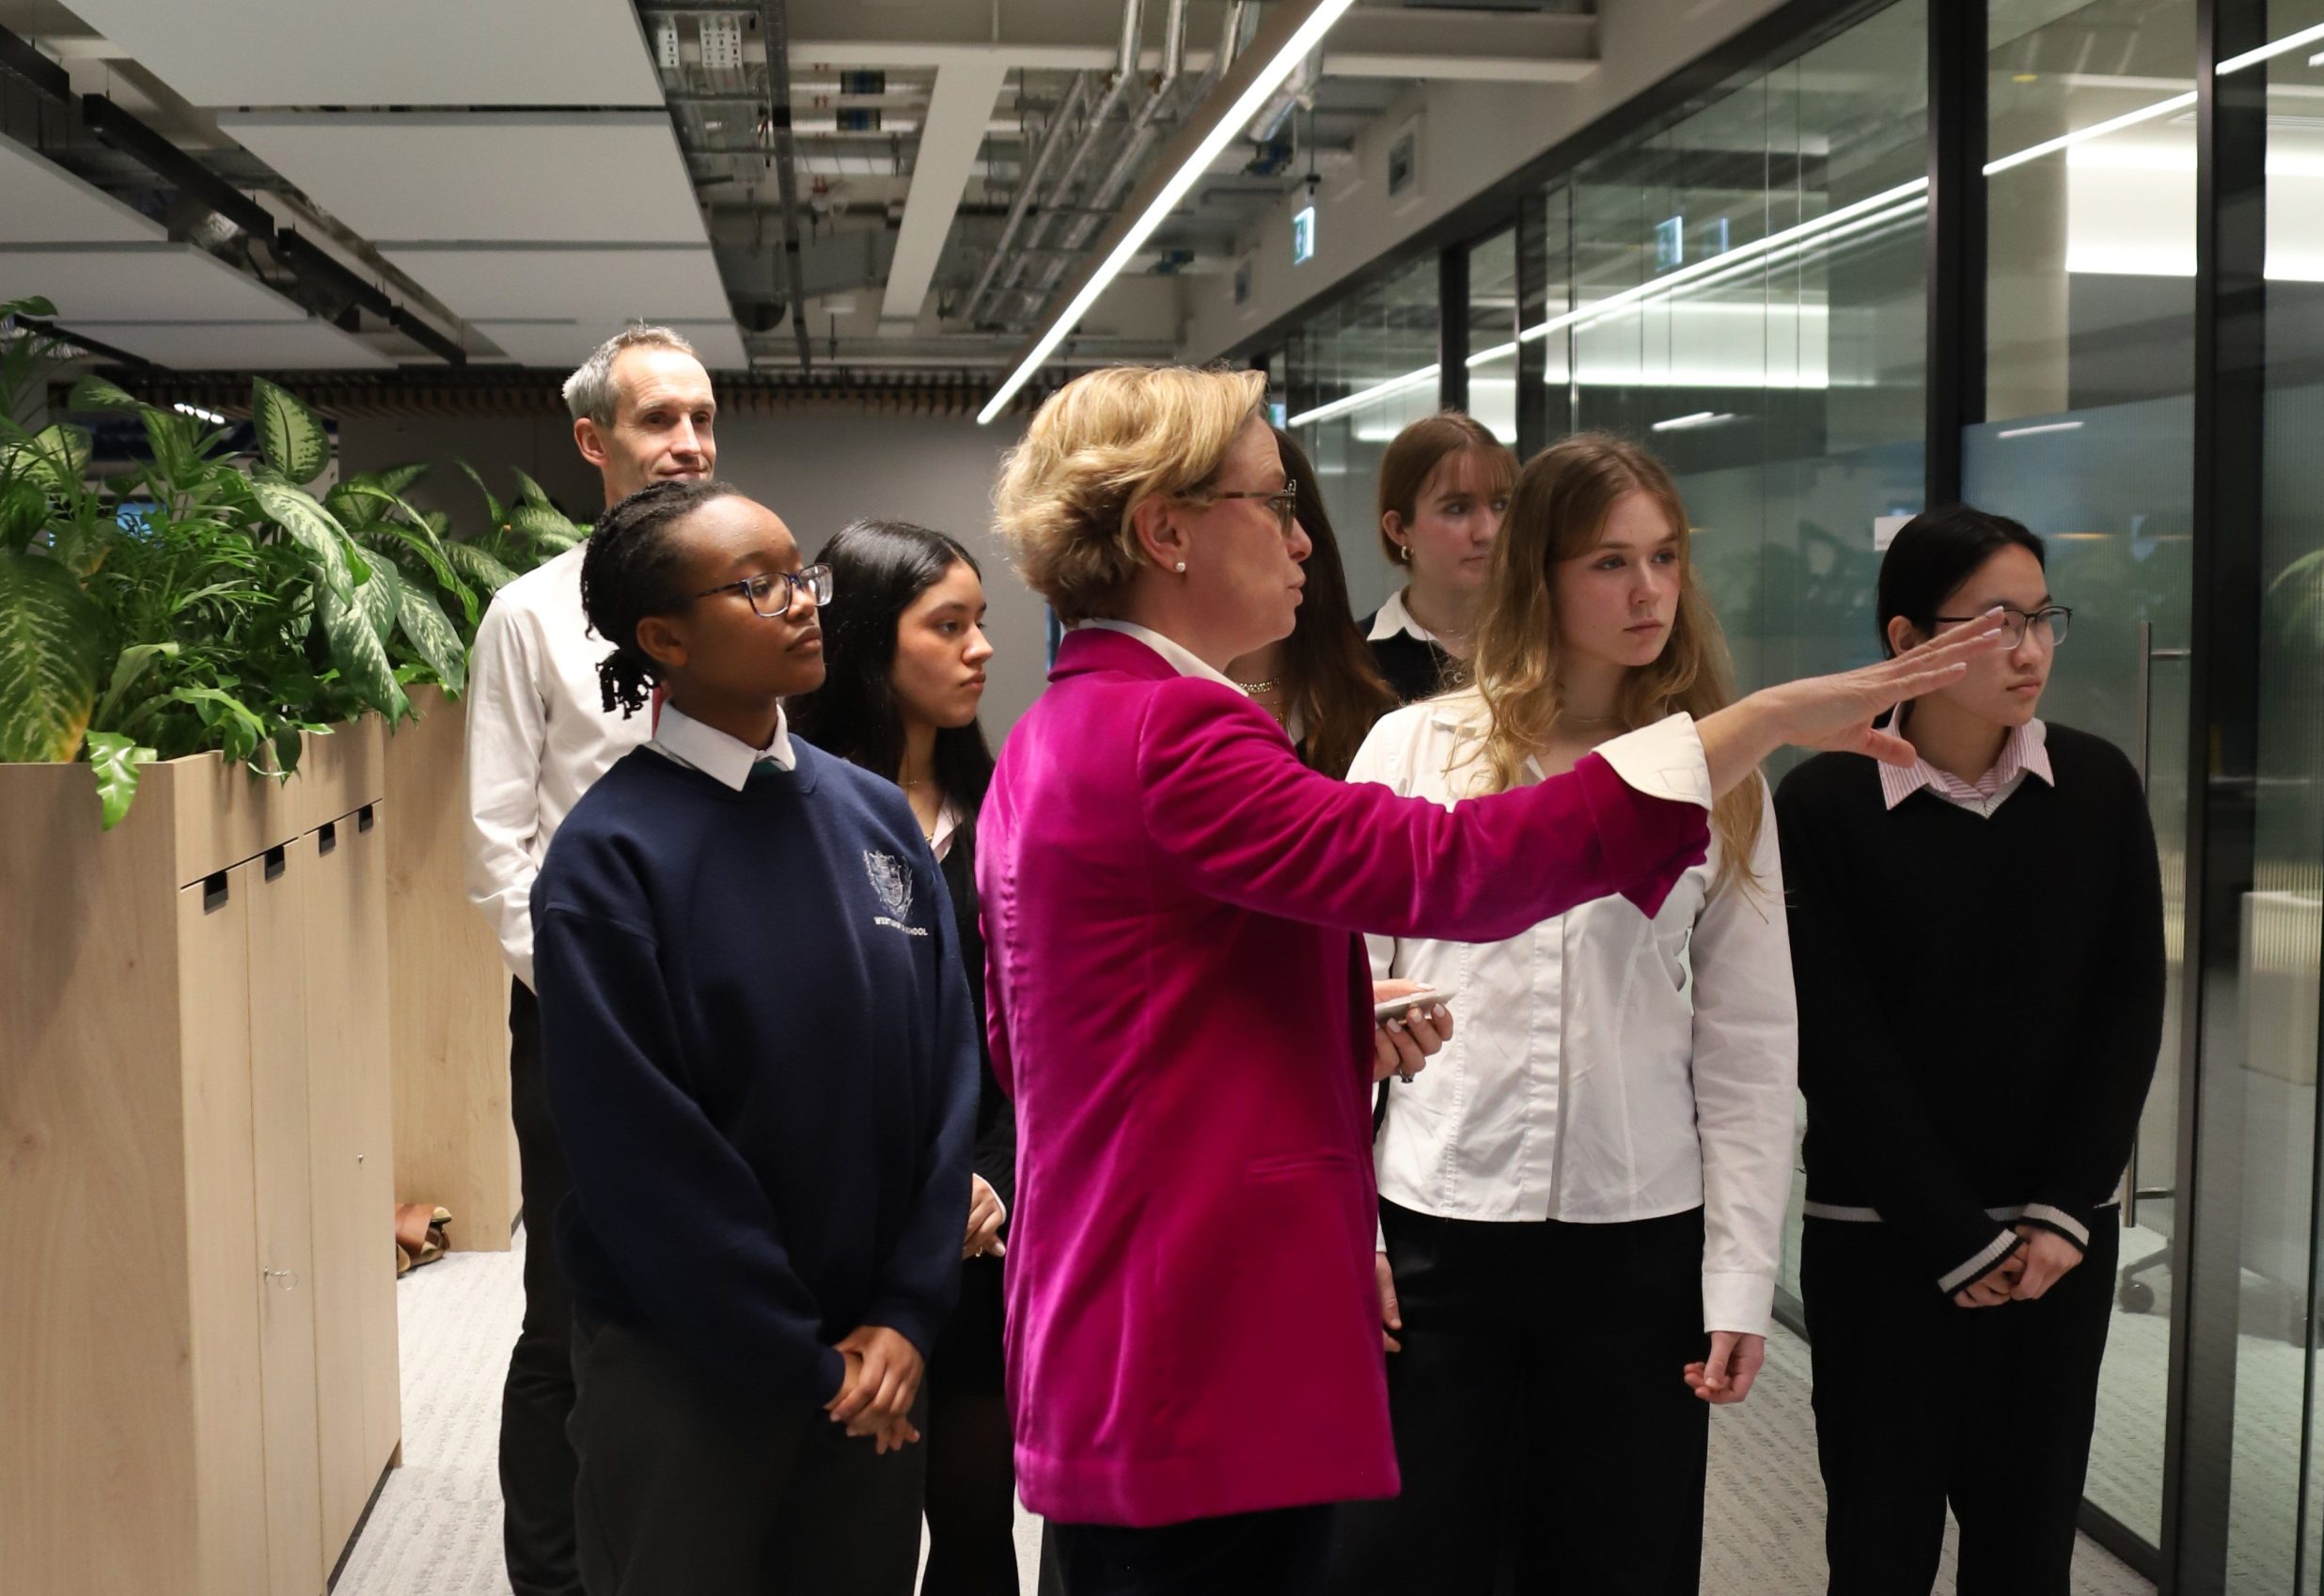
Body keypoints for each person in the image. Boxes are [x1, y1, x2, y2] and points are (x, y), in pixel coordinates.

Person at [975, 364, 2003, 1596]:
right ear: (1167, 529)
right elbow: (1458, 868)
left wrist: (1331, 1025)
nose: (1307, 537)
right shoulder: (1180, 734)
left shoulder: (1072, 723)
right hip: (1210, 1321)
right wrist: (1762, 719)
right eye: (1273, 501)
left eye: (1663, 557)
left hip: (1196, 1308)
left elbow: (1078, 1026)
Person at [1330, 433, 1798, 1596]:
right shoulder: (1413, 748)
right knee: (1410, 1564)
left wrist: (1740, 1280)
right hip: (1435, 1231)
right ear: (1537, 572)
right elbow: (1330, 1011)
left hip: (1635, 1249)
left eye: (1664, 558)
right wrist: (1356, 1237)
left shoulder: (1714, 772)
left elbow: (1748, 1049)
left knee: (1617, 1564)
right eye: (1606, 563)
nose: (1646, 592)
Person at [531, 478, 979, 1596]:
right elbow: (643, 1155)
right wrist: (804, 1356)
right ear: (663, 637)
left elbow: (946, 1070)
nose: (801, 603)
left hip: (878, 1355)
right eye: (758, 584)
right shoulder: (609, 856)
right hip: (694, 1367)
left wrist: (908, 1311)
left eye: (801, 574)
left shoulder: (871, 816)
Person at [1774, 505, 2164, 1596]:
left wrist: (2058, 1211)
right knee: (1879, 1546)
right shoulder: (1824, 802)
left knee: (2027, 1552)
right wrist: (1954, 1236)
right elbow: (1832, 1044)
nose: (2030, 649)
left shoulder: (2096, 787)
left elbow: (2126, 1011)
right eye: (1997, 622)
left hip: (2053, 1251)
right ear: (1906, 642)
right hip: (1880, 1245)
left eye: (2043, 619)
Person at [462, 322, 719, 1596]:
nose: (685, 443)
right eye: (655, 420)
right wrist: (595, 1003)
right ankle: (553, 1578)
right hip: (584, 1019)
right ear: (592, 442)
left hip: (736, 1016)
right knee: (570, 1314)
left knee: (717, 1292)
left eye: (701, 418)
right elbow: (501, 850)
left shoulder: (747, 598)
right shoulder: (531, 617)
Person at [791, 520, 1019, 1596]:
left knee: (976, 1530)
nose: (980, 650)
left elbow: (1044, 1028)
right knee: (843, 1536)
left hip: (983, 1229)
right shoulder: (793, 810)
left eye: (981, 624)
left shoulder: (1008, 813)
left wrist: (992, 1176)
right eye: (949, 626)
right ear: (871, 641)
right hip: (845, 1227)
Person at [1225, 430, 1395, 777]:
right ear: (1169, 535)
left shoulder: (1360, 692)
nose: (1300, 544)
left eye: (1285, 506)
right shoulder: (1154, 708)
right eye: (1270, 505)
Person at [1357, 412, 1516, 703]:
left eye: (1501, 504)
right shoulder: (1352, 659)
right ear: (1399, 529)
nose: (1489, 531)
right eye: (1457, 508)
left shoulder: (1544, 645)